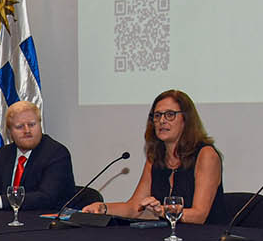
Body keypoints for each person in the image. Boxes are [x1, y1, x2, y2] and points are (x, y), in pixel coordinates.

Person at [85, 90, 223, 223]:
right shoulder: (155, 157)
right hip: (167, 238)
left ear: (186, 120)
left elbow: (199, 215)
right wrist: (103, 208)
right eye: (157, 115)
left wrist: (162, 211)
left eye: (170, 114)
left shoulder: (206, 155)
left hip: (206, 239)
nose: (162, 120)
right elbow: (134, 208)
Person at [0, 99, 75, 213]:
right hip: (6, 221)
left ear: (40, 125)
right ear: (10, 131)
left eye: (32, 124)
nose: (27, 130)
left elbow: (46, 198)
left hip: (44, 224)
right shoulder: (4, 154)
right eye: (19, 126)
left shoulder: (56, 153)